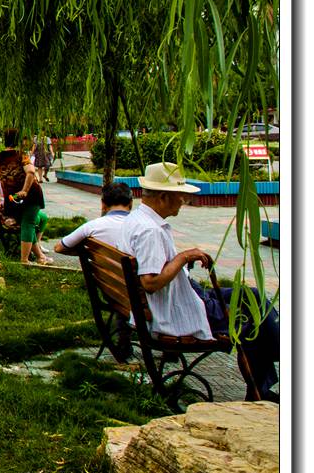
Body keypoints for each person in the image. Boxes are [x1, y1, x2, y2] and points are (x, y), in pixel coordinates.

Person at [119, 162, 279, 402]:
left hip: (171, 299)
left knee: (252, 295)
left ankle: (276, 352)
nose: (183, 201)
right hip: (176, 309)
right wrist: (184, 257)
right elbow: (150, 283)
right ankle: (269, 373)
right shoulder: (150, 231)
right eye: (180, 195)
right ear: (163, 197)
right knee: (253, 322)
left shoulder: (137, 219)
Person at [54, 181, 136, 360]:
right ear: (131, 203)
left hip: (110, 289)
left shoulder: (92, 226)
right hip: (139, 294)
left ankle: (124, 345)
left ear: (103, 204)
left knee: (125, 286)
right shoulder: (142, 227)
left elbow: (59, 247)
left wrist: (88, 253)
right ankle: (171, 347)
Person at [0, 128, 50, 264]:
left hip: (12, 198)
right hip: (29, 196)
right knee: (28, 223)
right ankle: (24, 260)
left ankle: (40, 257)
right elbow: (31, 172)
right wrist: (24, 190)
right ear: (18, 140)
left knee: (34, 220)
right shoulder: (21, 155)